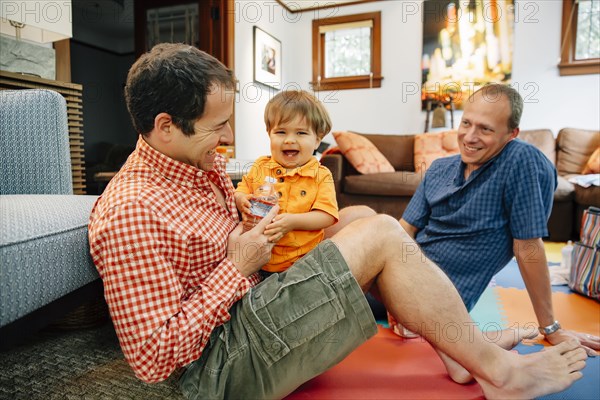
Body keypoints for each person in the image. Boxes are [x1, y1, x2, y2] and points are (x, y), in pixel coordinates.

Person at [87, 44, 587, 400]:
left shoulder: (200, 166)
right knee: (384, 233)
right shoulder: (131, 211)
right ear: (166, 127)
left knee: (361, 216)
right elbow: (155, 361)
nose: (227, 139)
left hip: (255, 297)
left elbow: (241, 224)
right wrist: (237, 267)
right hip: (218, 369)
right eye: (217, 128)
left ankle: (455, 345)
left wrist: (254, 224)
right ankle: (502, 374)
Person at [395, 83, 599, 381]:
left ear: (512, 133)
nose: (470, 136)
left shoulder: (522, 161)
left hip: (439, 299)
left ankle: (474, 351)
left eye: (485, 129)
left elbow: (528, 246)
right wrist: (396, 287)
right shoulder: (439, 169)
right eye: (466, 123)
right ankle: (479, 346)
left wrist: (551, 328)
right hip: (404, 280)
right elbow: (403, 231)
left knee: (364, 223)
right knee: (353, 218)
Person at [235, 90, 338, 274]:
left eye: (301, 133)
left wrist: (292, 221)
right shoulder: (260, 165)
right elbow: (240, 190)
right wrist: (240, 199)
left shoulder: (321, 175)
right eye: (281, 132)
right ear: (269, 134)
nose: (290, 140)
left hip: (303, 265)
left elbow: (327, 216)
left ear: (317, 140)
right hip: (258, 264)